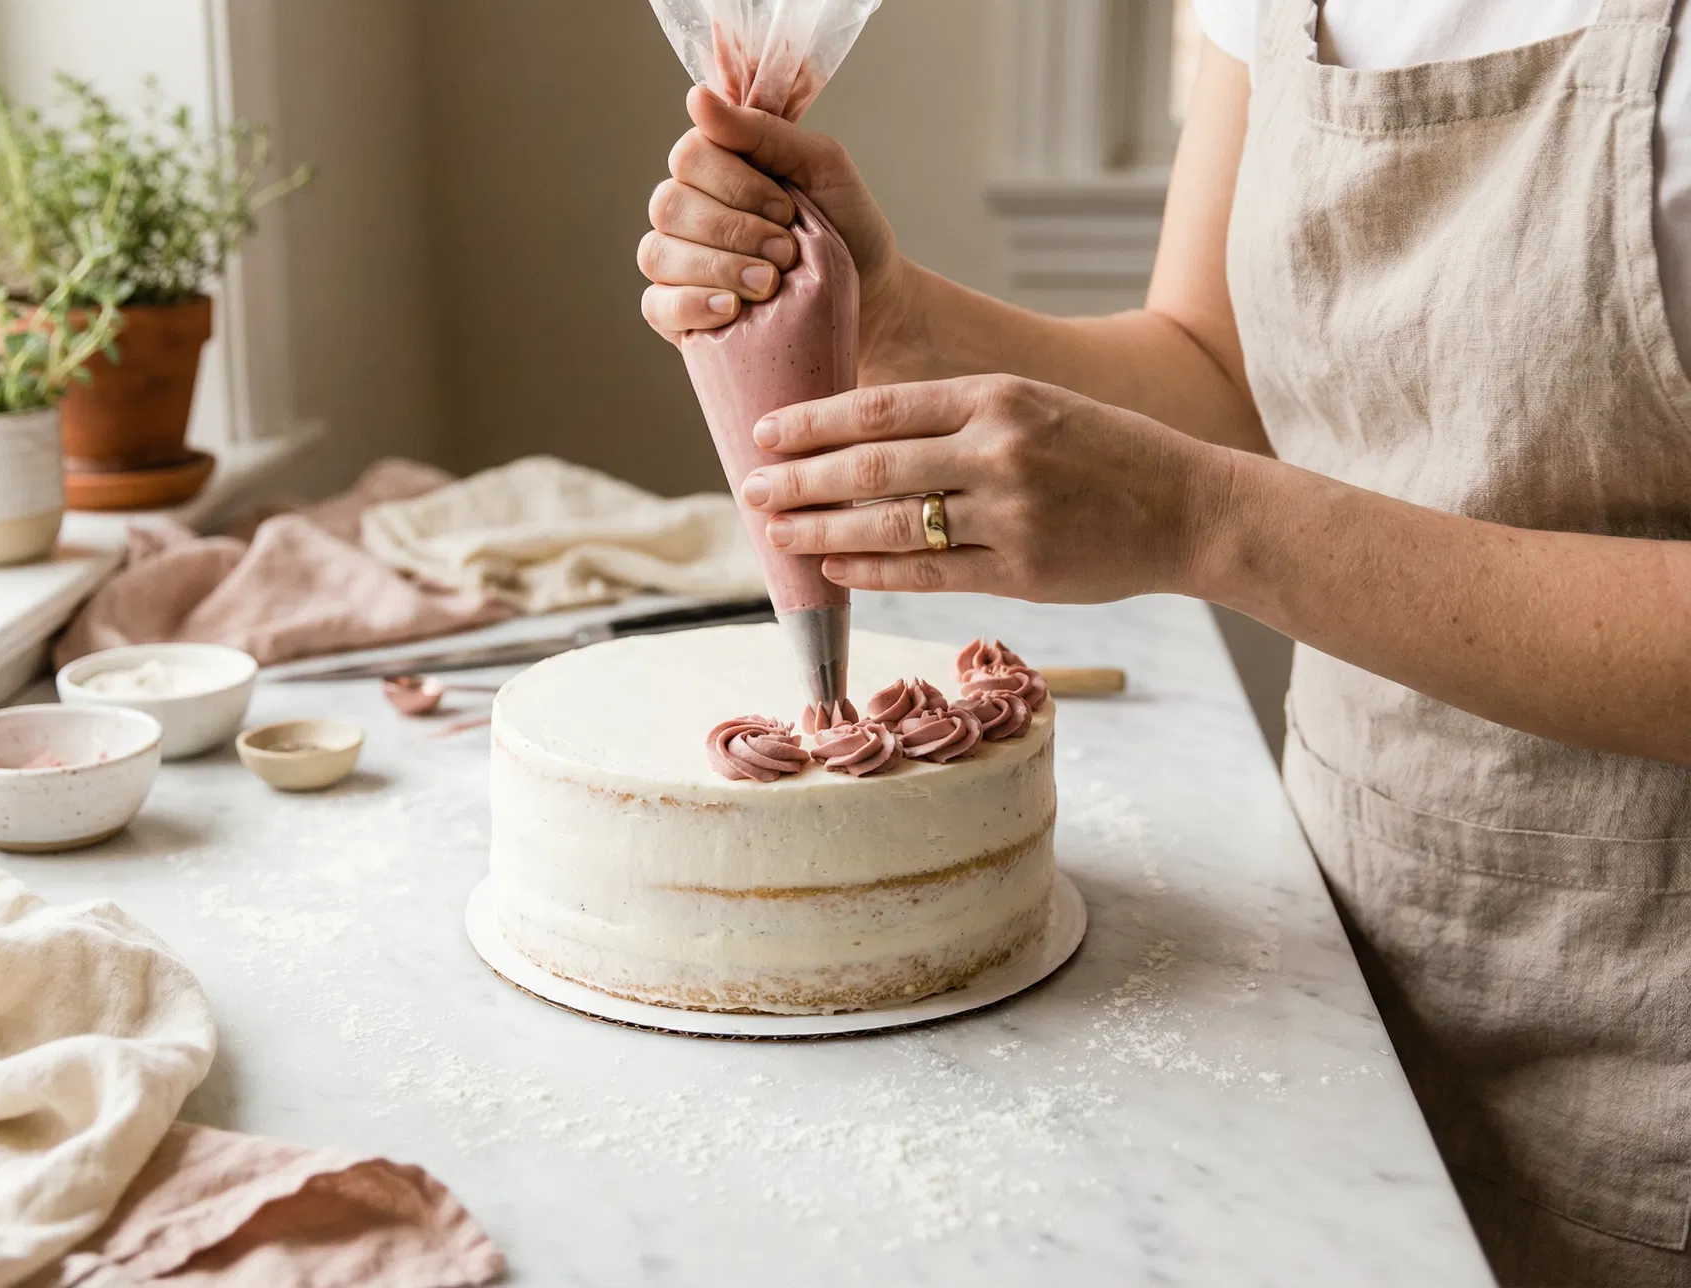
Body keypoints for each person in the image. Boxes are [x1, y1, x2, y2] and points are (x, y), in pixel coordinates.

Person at [637, 1, 1691, 1283]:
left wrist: (1208, 521)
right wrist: (893, 317)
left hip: (1649, 1042)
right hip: (1341, 957)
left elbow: (1218, 480)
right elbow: (1219, 370)